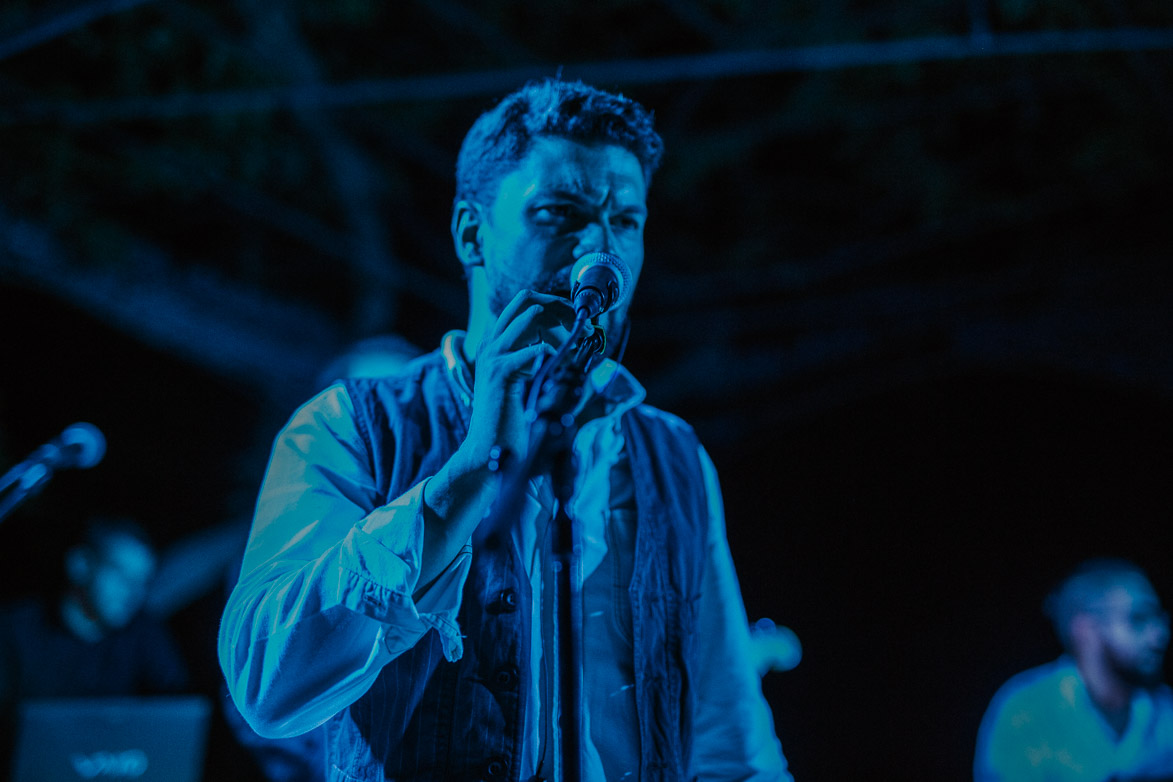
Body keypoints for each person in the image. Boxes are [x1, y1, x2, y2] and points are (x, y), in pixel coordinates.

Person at [219, 77, 790, 781]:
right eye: (559, 213)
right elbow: (266, 686)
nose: (598, 254)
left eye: (625, 221)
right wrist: (466, 474)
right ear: (470, 232)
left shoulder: (672, 456)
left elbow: (729, 741)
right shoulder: (346, 427)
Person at [0, 516, 189, 767]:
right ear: (80, 564)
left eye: (141, 582)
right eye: (120, 574)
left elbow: (178, 709)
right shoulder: (15, 630)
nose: (132, 592)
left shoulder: (145, 631)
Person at [974, 558, 1173, 781]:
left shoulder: (1165, 711)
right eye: (1138, 618)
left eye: (1160, 619)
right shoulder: (1027, 711)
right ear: (1085, 628)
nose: (1159, 635)